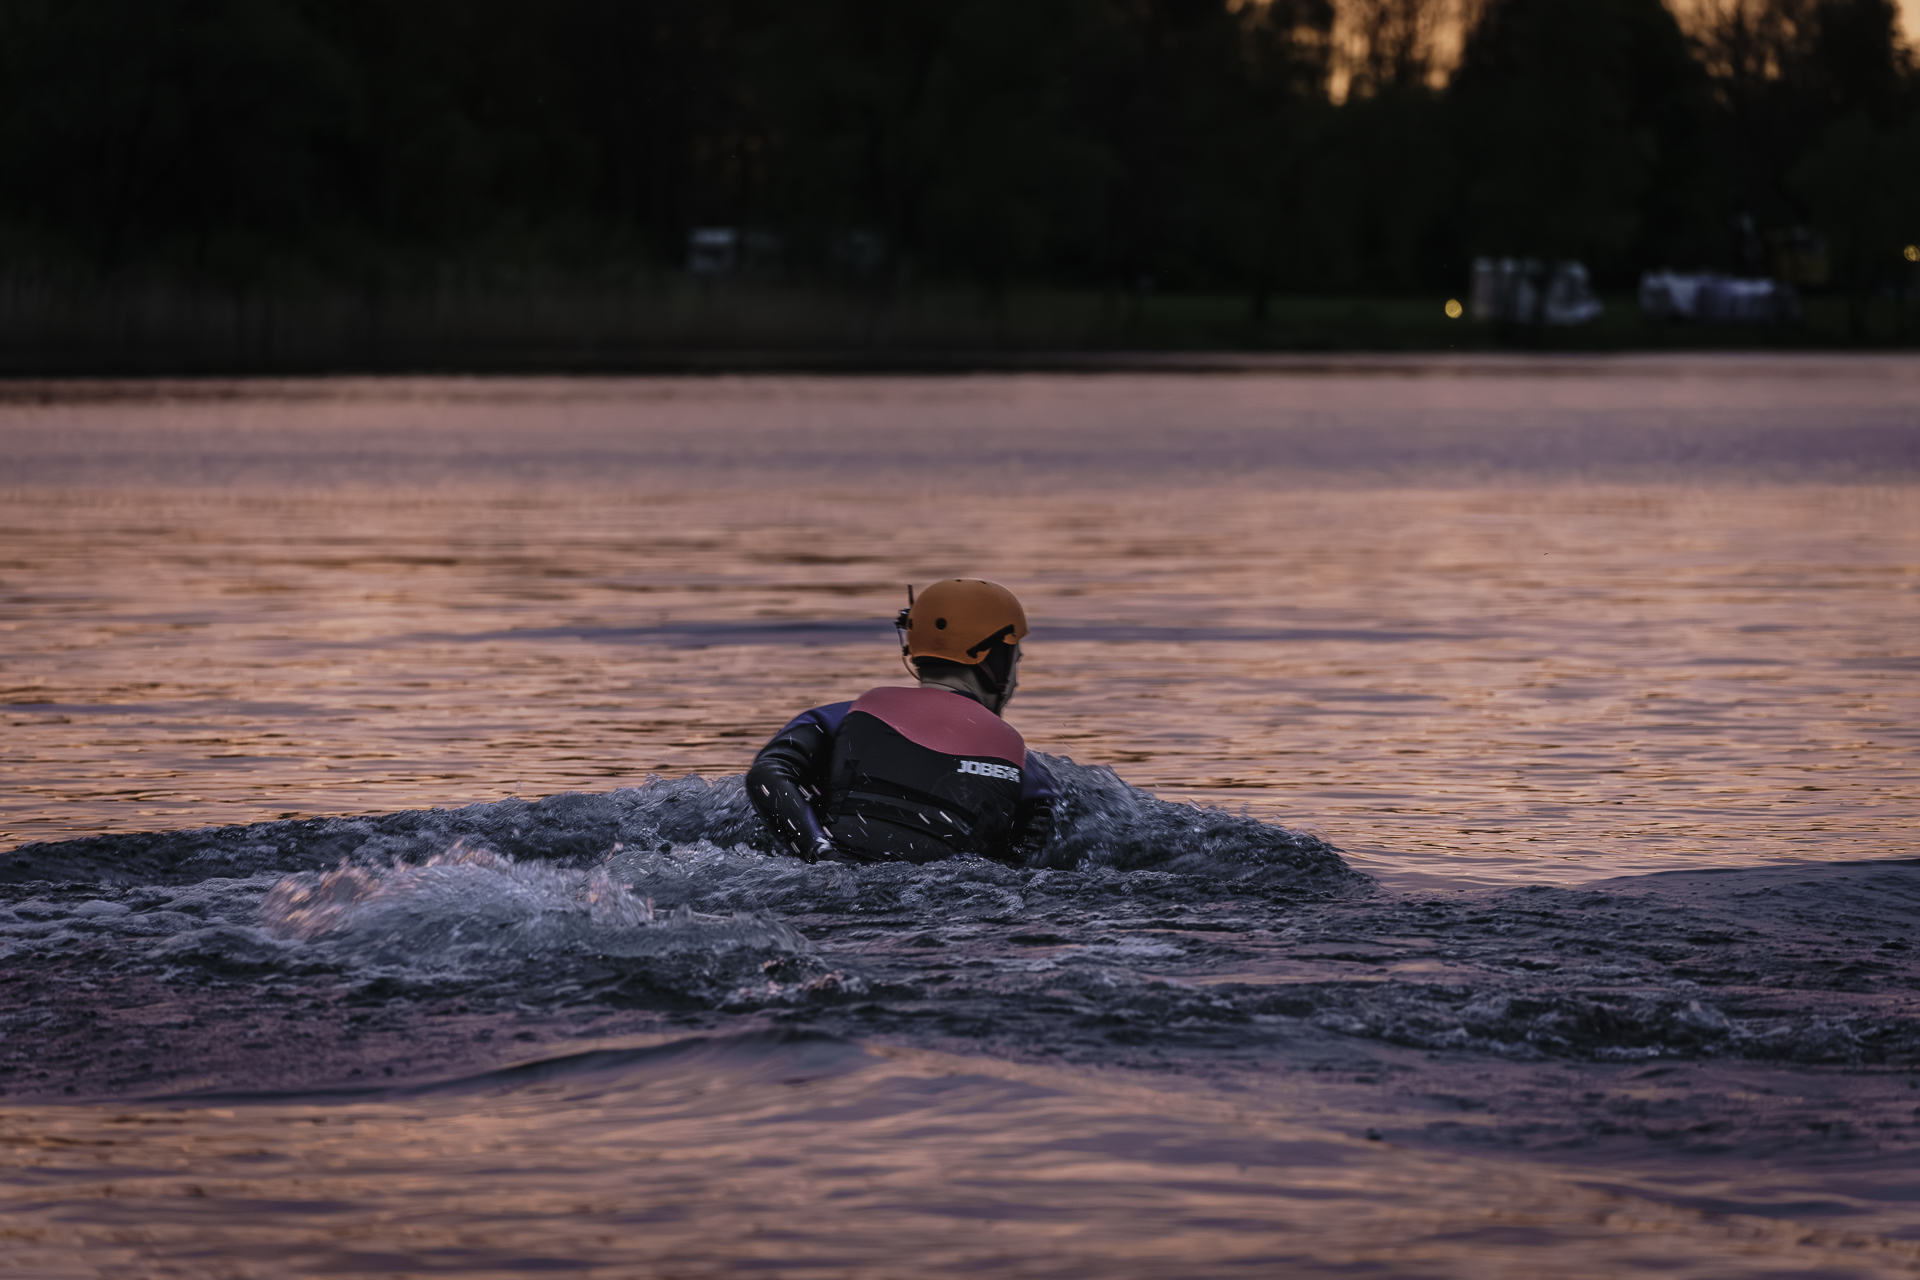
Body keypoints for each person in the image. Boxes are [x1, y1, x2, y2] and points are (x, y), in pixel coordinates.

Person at [746, 579, 1057, 865]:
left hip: (827, 881)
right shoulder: (1024, 766)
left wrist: (820, 851)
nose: (1016, 682)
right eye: (1015, 662)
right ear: (995, 658)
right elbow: (1029, 857)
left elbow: (768, 770)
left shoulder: (844, 716)